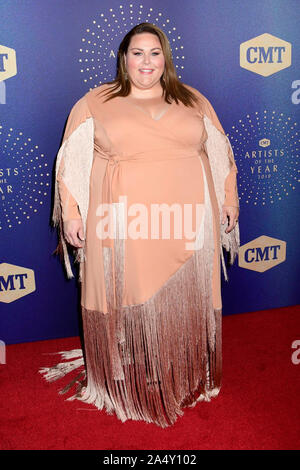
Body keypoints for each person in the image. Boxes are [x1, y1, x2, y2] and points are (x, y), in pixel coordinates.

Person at [40, 23, 240, 428]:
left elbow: (220, 152)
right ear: (123, 57)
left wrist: (230, 200)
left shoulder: (193, 99)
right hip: (125, 221)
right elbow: (71, 164)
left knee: (187, 299)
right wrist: (73, 214)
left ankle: (182, 369)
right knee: (128, 296)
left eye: (154, 52)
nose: (145, 61)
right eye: (137, 52)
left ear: (165, 57)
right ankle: (126, 376)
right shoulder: (96, 101)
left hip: (189, 220)